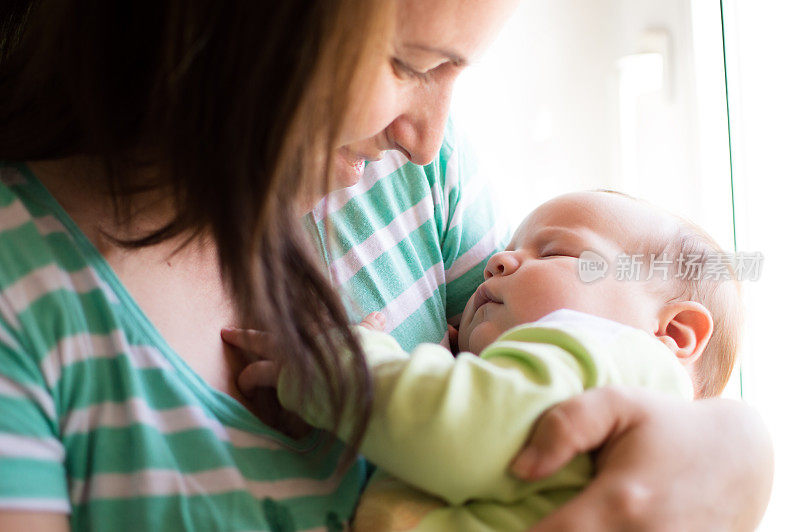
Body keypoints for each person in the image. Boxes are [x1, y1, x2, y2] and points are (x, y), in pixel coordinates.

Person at [0, 1, 772, 531]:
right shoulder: (25, 304)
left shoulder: (415, 186)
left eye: (453, 71)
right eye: (409, 64)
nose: (428, 136)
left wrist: (739, 449)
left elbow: (480, 413)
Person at [224, 190, 743, 530]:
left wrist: (345, 362)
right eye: (512, 246)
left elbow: (454, 430)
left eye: (557, 252)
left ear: (672, 331)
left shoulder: (613, 355)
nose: (498, 261)